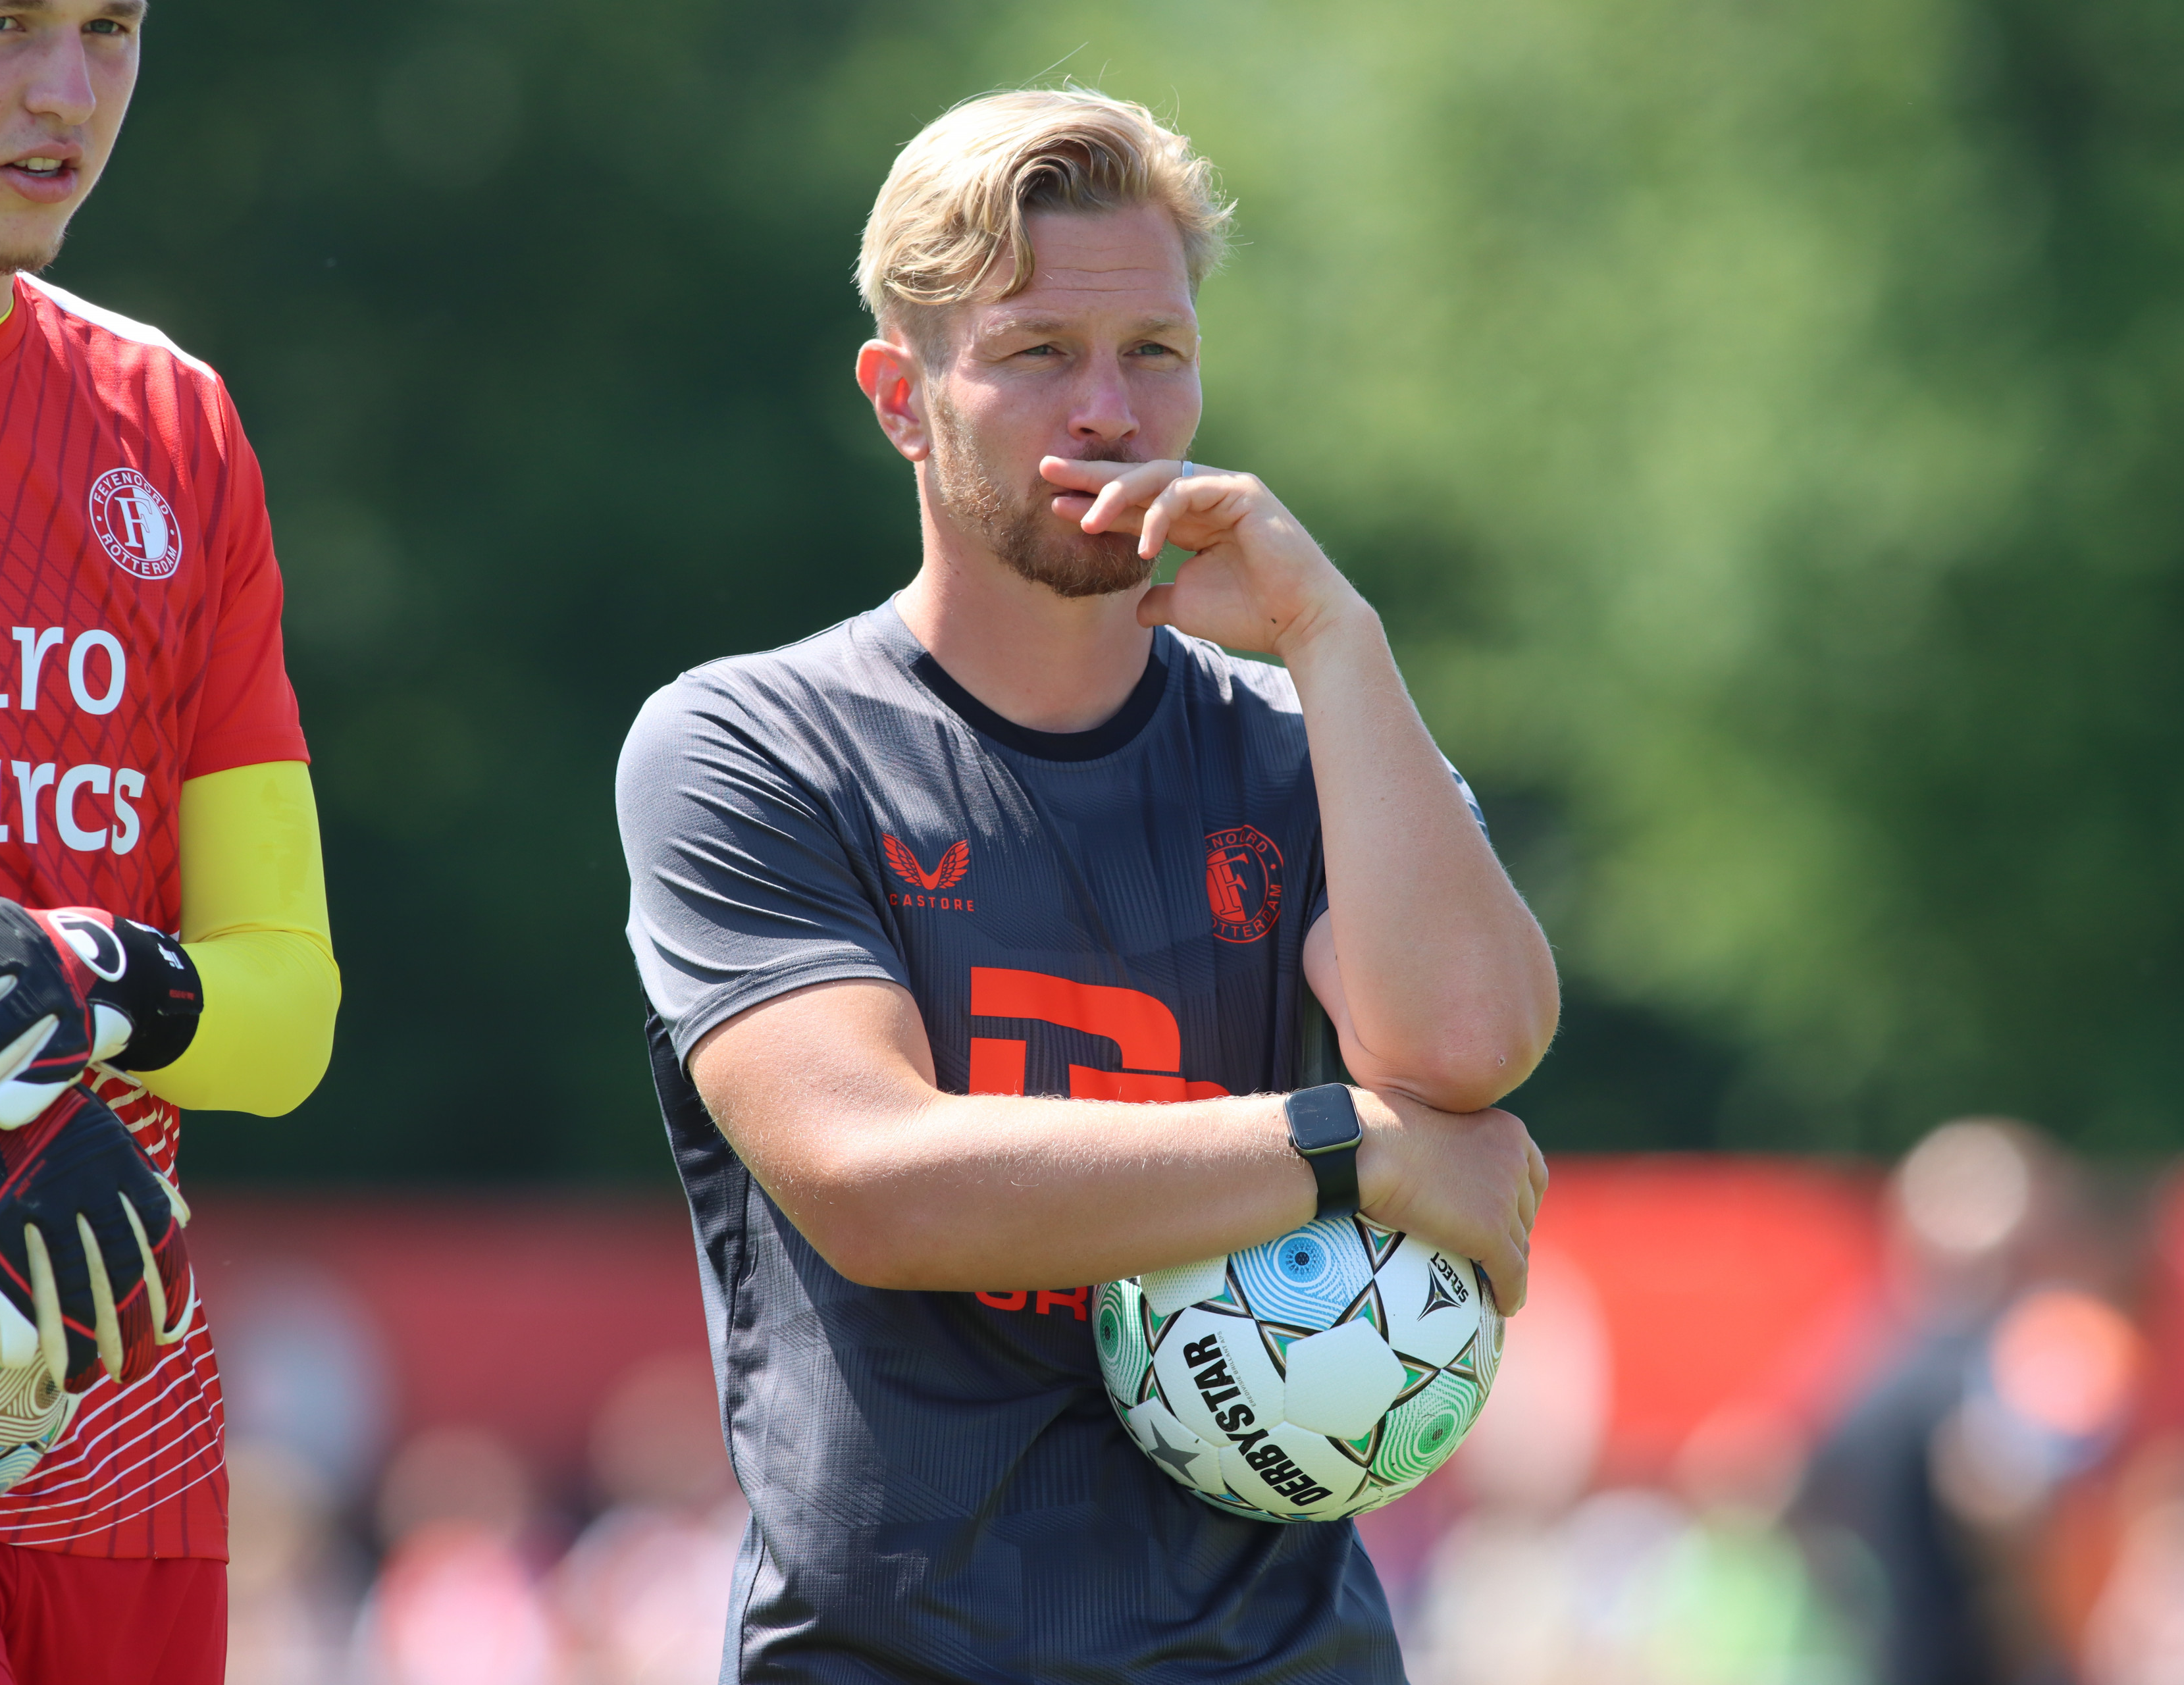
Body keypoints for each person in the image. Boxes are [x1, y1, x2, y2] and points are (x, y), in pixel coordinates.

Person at [615, 88, 1557, 1682]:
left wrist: (1339, 635)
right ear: (902, 399)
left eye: (1156, 354)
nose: (1110, 411)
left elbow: (1471, 1047)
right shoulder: (749, 741)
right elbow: (879, 1180)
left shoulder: (1306, 737)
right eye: (1037, 352)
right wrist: (1350, 1148)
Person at [0, 1, 340, 1680]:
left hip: (119, 1437)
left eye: (109, 27)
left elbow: (287, 1015)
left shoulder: (173, 422)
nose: (65, 90)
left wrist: (84, 977)